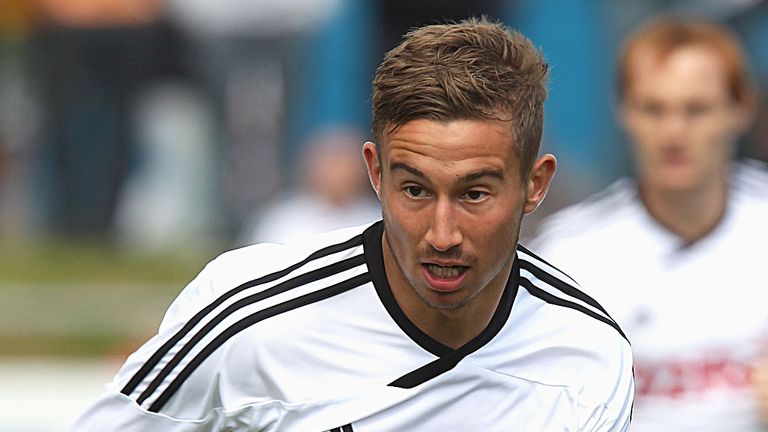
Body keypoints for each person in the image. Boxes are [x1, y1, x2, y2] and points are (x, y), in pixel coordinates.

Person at [71, 17, 633, 431]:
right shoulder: (250, 316)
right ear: (375, 173)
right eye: (415, 190)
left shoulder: (588, 355)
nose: (442, 234)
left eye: (474, 194)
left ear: (535, 184)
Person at [530, 17, 768, 431]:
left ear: (742, 107)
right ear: (623, 110)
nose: (674, 132)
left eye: (697, 109)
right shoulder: (565, 258)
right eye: (653, 109)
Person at [239, 126, 380, 245]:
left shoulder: (376, 218)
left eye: (344, 162)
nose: (337, 172)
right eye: (329, 161)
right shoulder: (282, 220)